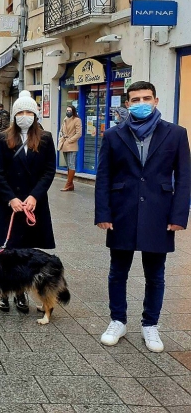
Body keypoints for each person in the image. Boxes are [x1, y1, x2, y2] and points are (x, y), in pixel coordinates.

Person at [95, 81, 190, 353]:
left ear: (156, 101)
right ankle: (118, 320)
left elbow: (184, 178)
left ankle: (150, 324)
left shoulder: (176, 134)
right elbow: (103, 177)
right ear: (127, 103)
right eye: (135, 99)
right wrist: (103, 212)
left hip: (159, 212)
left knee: (155, 274)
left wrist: (179, 215)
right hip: (122, 210)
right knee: (117, 271)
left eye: (146, 98)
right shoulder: (113, 135)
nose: (141, 103)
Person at [0, 90, 57, 313]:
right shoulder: (2, 137)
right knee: (4, 250)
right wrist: (11, 199)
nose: (24, 116)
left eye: (29, 112)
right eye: (21, 112)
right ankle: (3, 293)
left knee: (24, 251)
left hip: (32, 202)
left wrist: (34, 196)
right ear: (15, 115)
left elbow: (49, 171)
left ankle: (20, 293)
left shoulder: (45, 138)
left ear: (35, 115)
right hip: (7, 203)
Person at [58, 105, 83, 191]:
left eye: (69, 110)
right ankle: (71, 184)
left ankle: (68, 184)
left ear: (73, 111)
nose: (68, 112)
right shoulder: (65, 119)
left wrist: (70, 140)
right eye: (67, 110)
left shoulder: (77, 120)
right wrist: (60, 137)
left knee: (71, 164)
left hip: (72, 145)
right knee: (68, 165)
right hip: (64, 144)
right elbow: (61, 130)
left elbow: (79, 133)